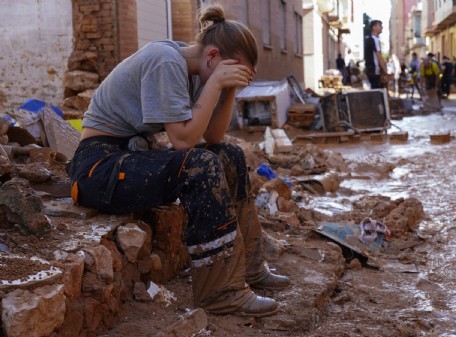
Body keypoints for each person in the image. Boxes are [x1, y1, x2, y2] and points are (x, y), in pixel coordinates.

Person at [65, 4, 290, 318]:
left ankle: (250, 268)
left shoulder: (197, 70)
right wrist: (215, 83)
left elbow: (213, 137)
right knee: (201, 165)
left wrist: (227, 90)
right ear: (212, 57)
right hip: (98, 167)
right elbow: (183, 141)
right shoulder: (166, 62)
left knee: (229, 155)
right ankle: (220, 293)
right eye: (231, 70)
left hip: (132, 156)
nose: (230, 78)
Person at [364, 20, 389, 89]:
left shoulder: (368, 39)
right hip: (374, 69)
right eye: (380, 25)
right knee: (377, 90)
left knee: (374, 89)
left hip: (370, 69)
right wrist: (385, 71)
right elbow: (379, 56)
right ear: (374, 27)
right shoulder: (374, 39)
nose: (381, 27)